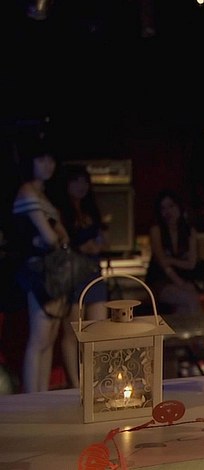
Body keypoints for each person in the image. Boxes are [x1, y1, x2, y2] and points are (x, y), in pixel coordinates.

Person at [11, 136, 72, 392]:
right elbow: (51, 237)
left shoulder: (42, 194)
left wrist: (56, 238)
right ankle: (33, 399)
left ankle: (41, 396)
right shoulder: (27, 191)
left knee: (49, 337)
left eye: (51, 160)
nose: (48, 165)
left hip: (51, 269)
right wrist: (55, 238)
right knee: (40, 338)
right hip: (38, 270)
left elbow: (62, 237)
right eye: (41, 159)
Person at [50, 163, 109, 389]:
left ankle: (95, 379)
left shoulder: (91, 210)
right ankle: (74, 383)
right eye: (76, 181)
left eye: (85, 181)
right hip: (72, 273)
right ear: (67, 184)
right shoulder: (61, 212)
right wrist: (81, 246)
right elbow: (61, 242)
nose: (81, 186)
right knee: (73, 331)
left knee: (98, 329)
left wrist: (98, 244)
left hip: (93, 271)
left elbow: (104, 237)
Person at [145, 189, 202, 315]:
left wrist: (170, 260)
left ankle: (185, 328)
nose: (168, 212)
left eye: (171, 206)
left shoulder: (189, 232)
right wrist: (180, 283)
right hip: (161, 280)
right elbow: (163, 263)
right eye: (163, 208)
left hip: (184, 277)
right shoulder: (157, 230)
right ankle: (195, 327)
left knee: (186, 304)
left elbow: (191, 263)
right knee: (189, 298)